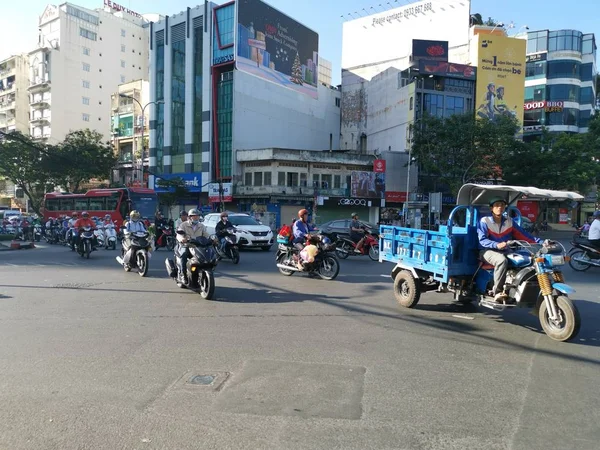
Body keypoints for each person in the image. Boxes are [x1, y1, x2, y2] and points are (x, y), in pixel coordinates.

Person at [478, 197, 544, 302]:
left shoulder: (509, 221)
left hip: (506, 250)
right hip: (487, 251)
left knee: (529, 258)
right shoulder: (485, 221)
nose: (500, 207)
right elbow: (482, 240)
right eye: (497, 205)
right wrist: (496, 245)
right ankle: (498, 291)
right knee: (501, 260)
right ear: (491, 208)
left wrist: (541, 242)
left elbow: (523, 235)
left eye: (502, 205)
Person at [176, 209, 210, 284]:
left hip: (198, 246)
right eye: (194, 216)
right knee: (184, 254)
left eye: (197, 216)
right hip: (187, 245)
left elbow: (206, 234)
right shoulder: (183, 225)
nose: (196, 218)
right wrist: (182, 239)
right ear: (189, 217)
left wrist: (212, 239)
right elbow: (179, 235)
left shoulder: (201, 226)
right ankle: (183, 275)